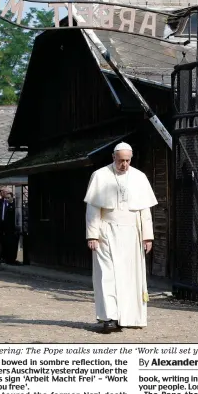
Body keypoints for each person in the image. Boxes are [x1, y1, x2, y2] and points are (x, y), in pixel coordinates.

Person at [84, 142, 157, 332]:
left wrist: (147, 237)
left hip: (133, 233)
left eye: (127, 160)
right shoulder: (100, 176)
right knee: (107, 275)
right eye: (120, 160)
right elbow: (93, 209)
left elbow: (145, 210)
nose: (124, 164)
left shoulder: (139, 177)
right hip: (106, 232)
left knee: (130, 276)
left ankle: (128, 317)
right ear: (113, 158)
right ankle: (109, 318)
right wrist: (92, 235)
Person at [2, 191, 21, 265]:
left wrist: (17, 227)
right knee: (8, 245)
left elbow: (17, 216)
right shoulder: (6, 205)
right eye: (6, 198)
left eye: (8, 198)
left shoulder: (15, 206)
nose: (7, 199)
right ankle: (8, 259)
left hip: (14, 229)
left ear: (12, 197)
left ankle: (13, 259)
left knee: (14, 245)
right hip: (7, 229)